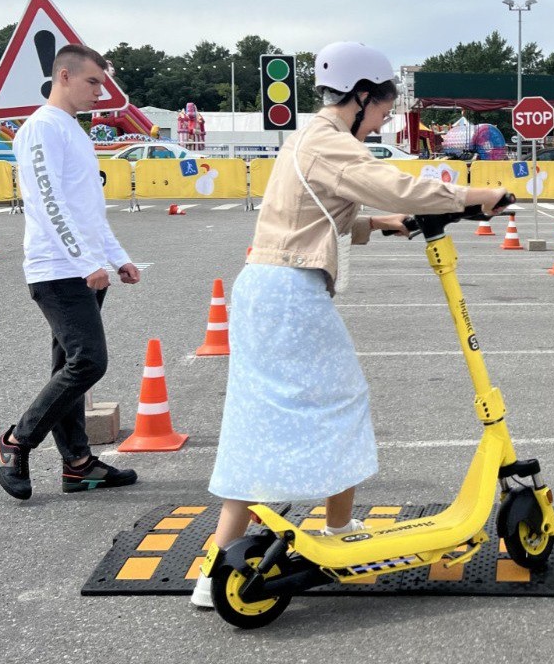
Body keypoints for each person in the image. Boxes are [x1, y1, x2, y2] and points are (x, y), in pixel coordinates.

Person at [192, 42, 510, 608]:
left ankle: (215, 567)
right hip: (290, 294)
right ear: (361, 96)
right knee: (344, 403)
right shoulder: (329, 142)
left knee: (257, 426)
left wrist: (381, 224)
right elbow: (391, 181)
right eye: (384, 110)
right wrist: (473, 195)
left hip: (267, 288)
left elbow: (313, 214)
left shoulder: (310, 139)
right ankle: (337, 534)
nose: (383, 120)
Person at [0, 44, 141, 501]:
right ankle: (14, 443)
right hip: (58, 270)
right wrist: (85, 263)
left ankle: (77, 465)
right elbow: (46, 202)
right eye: (93, 82)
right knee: (89, 362)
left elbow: (88, 210)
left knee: (69, 365)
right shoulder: (41, 129)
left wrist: (116, 257)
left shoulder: (74, 132)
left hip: (83, 268)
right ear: (64, 76)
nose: (100, 92)